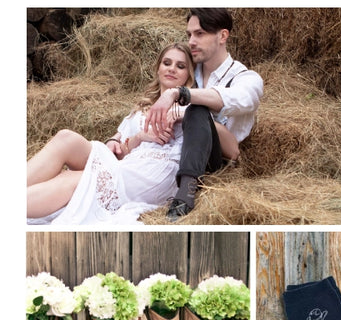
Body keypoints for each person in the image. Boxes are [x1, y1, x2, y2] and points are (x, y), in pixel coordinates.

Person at [27, 42, 196, 225]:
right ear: (158, 68)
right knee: (66, 138)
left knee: (75, 179)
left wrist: (182, 112)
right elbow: (119, 148)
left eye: (180, 66)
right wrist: (139, 137)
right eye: (167, 63)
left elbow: (226, 144)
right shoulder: (142, 108)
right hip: (127, 164)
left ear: (189, 76)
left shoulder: (193, 109)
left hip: (153, 173)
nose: (172, 69)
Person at [145, 8, 264, 221]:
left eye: (199, 34)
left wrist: (182, 94)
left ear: (222, 36)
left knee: (197, 106)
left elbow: (242, 98)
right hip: (171, 151)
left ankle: (186, 194)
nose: (191, 41)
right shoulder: (187, 69)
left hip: (217, 160)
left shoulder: (246, 78)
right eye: (189, 34)